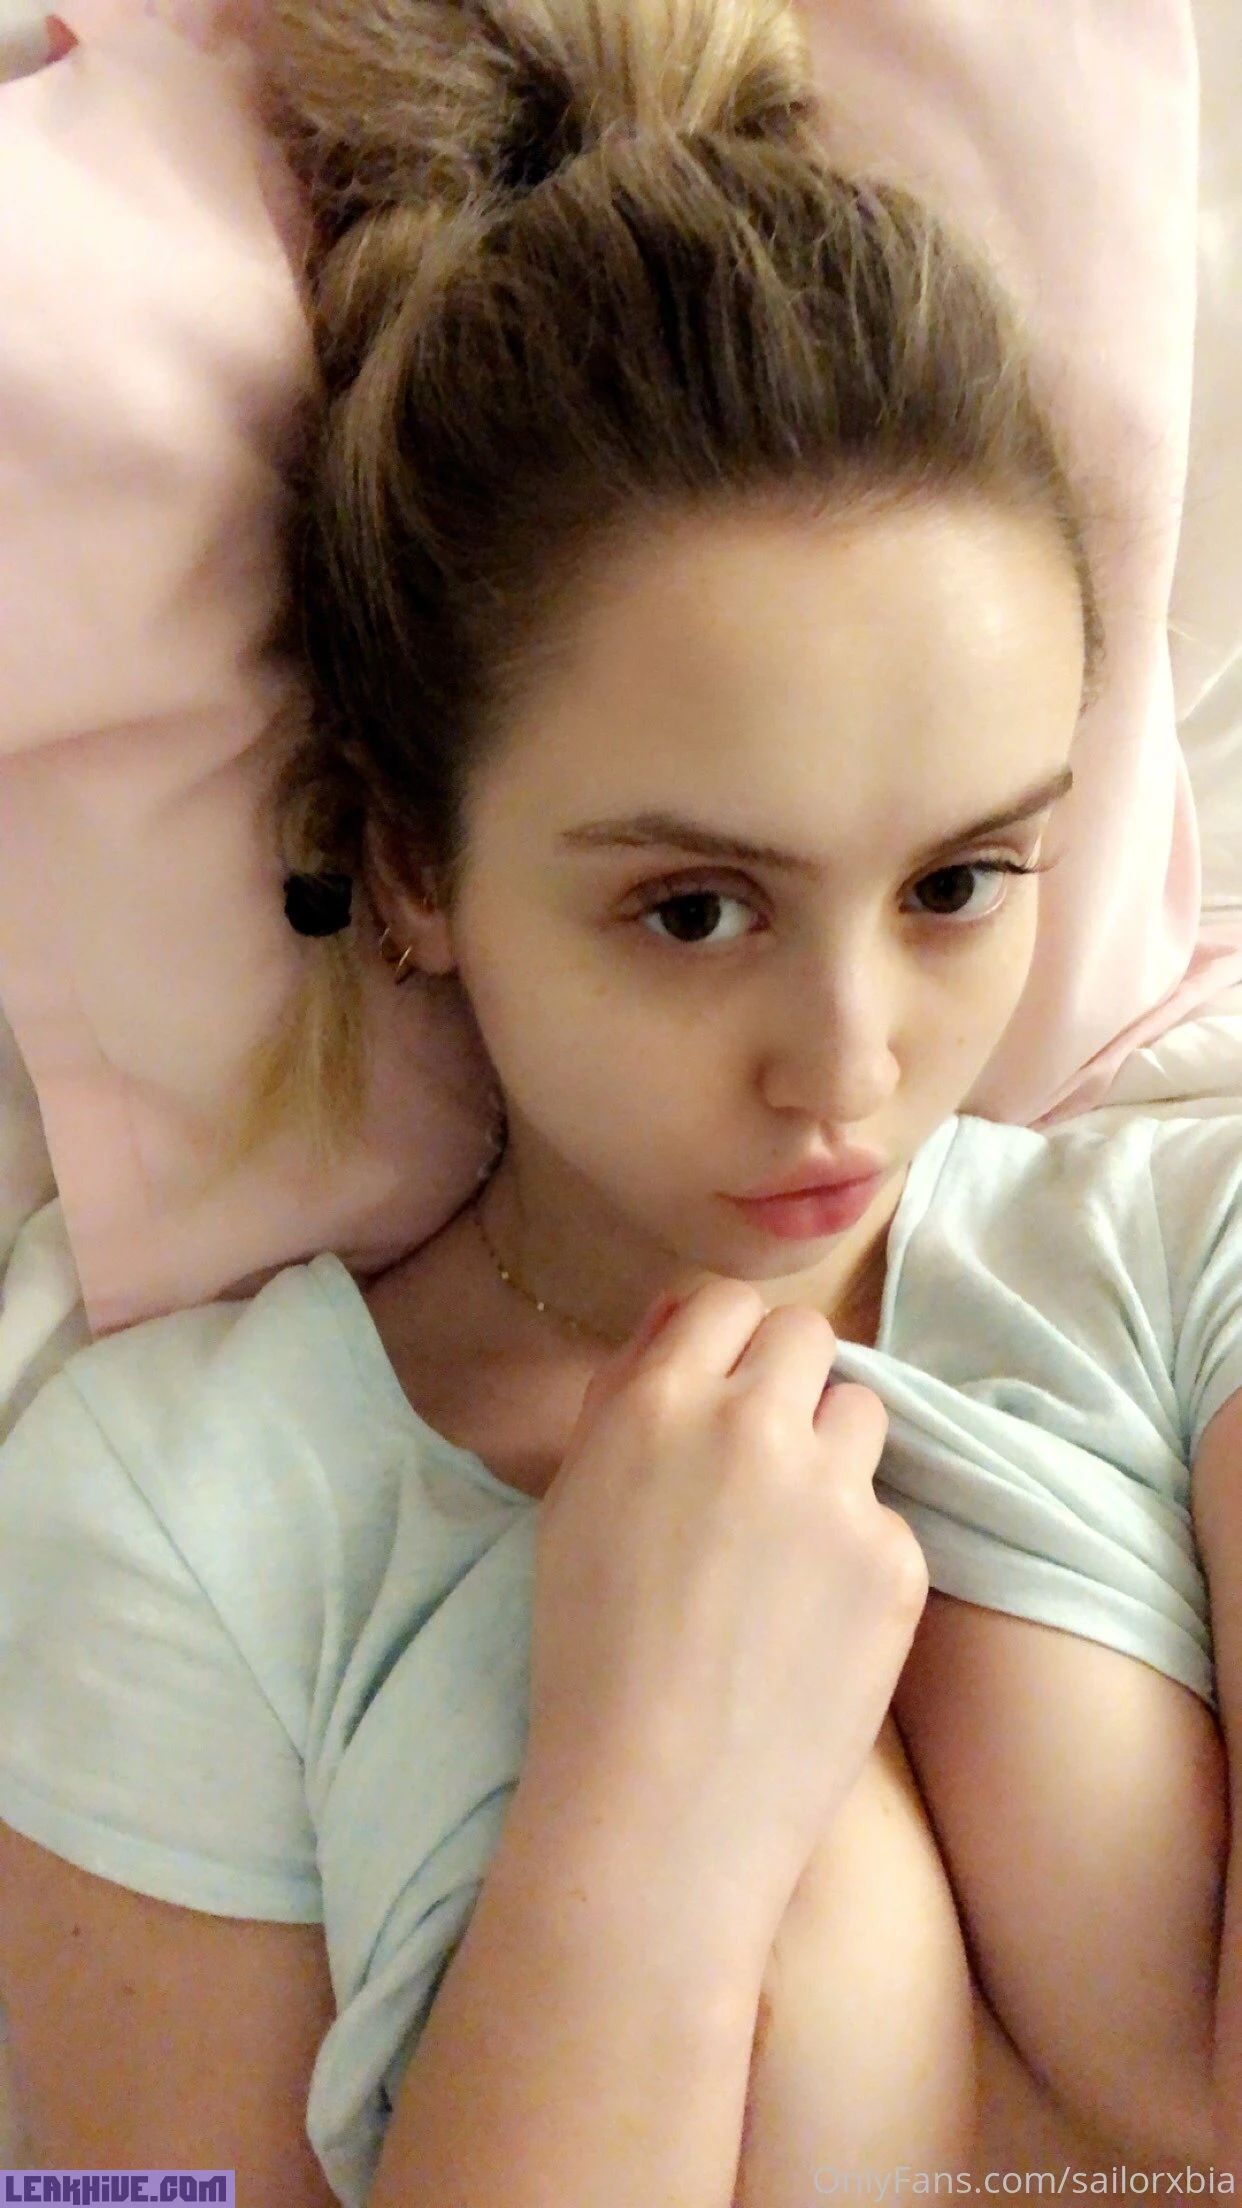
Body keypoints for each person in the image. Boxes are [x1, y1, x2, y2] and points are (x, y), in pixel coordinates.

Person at [0, 0, 1237, 2200]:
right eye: (693, 910)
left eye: (959, 882)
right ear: (409, 869)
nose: (848, 1063)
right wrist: (640, 1816)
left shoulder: (1192, 1252)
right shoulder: (178, 1527)